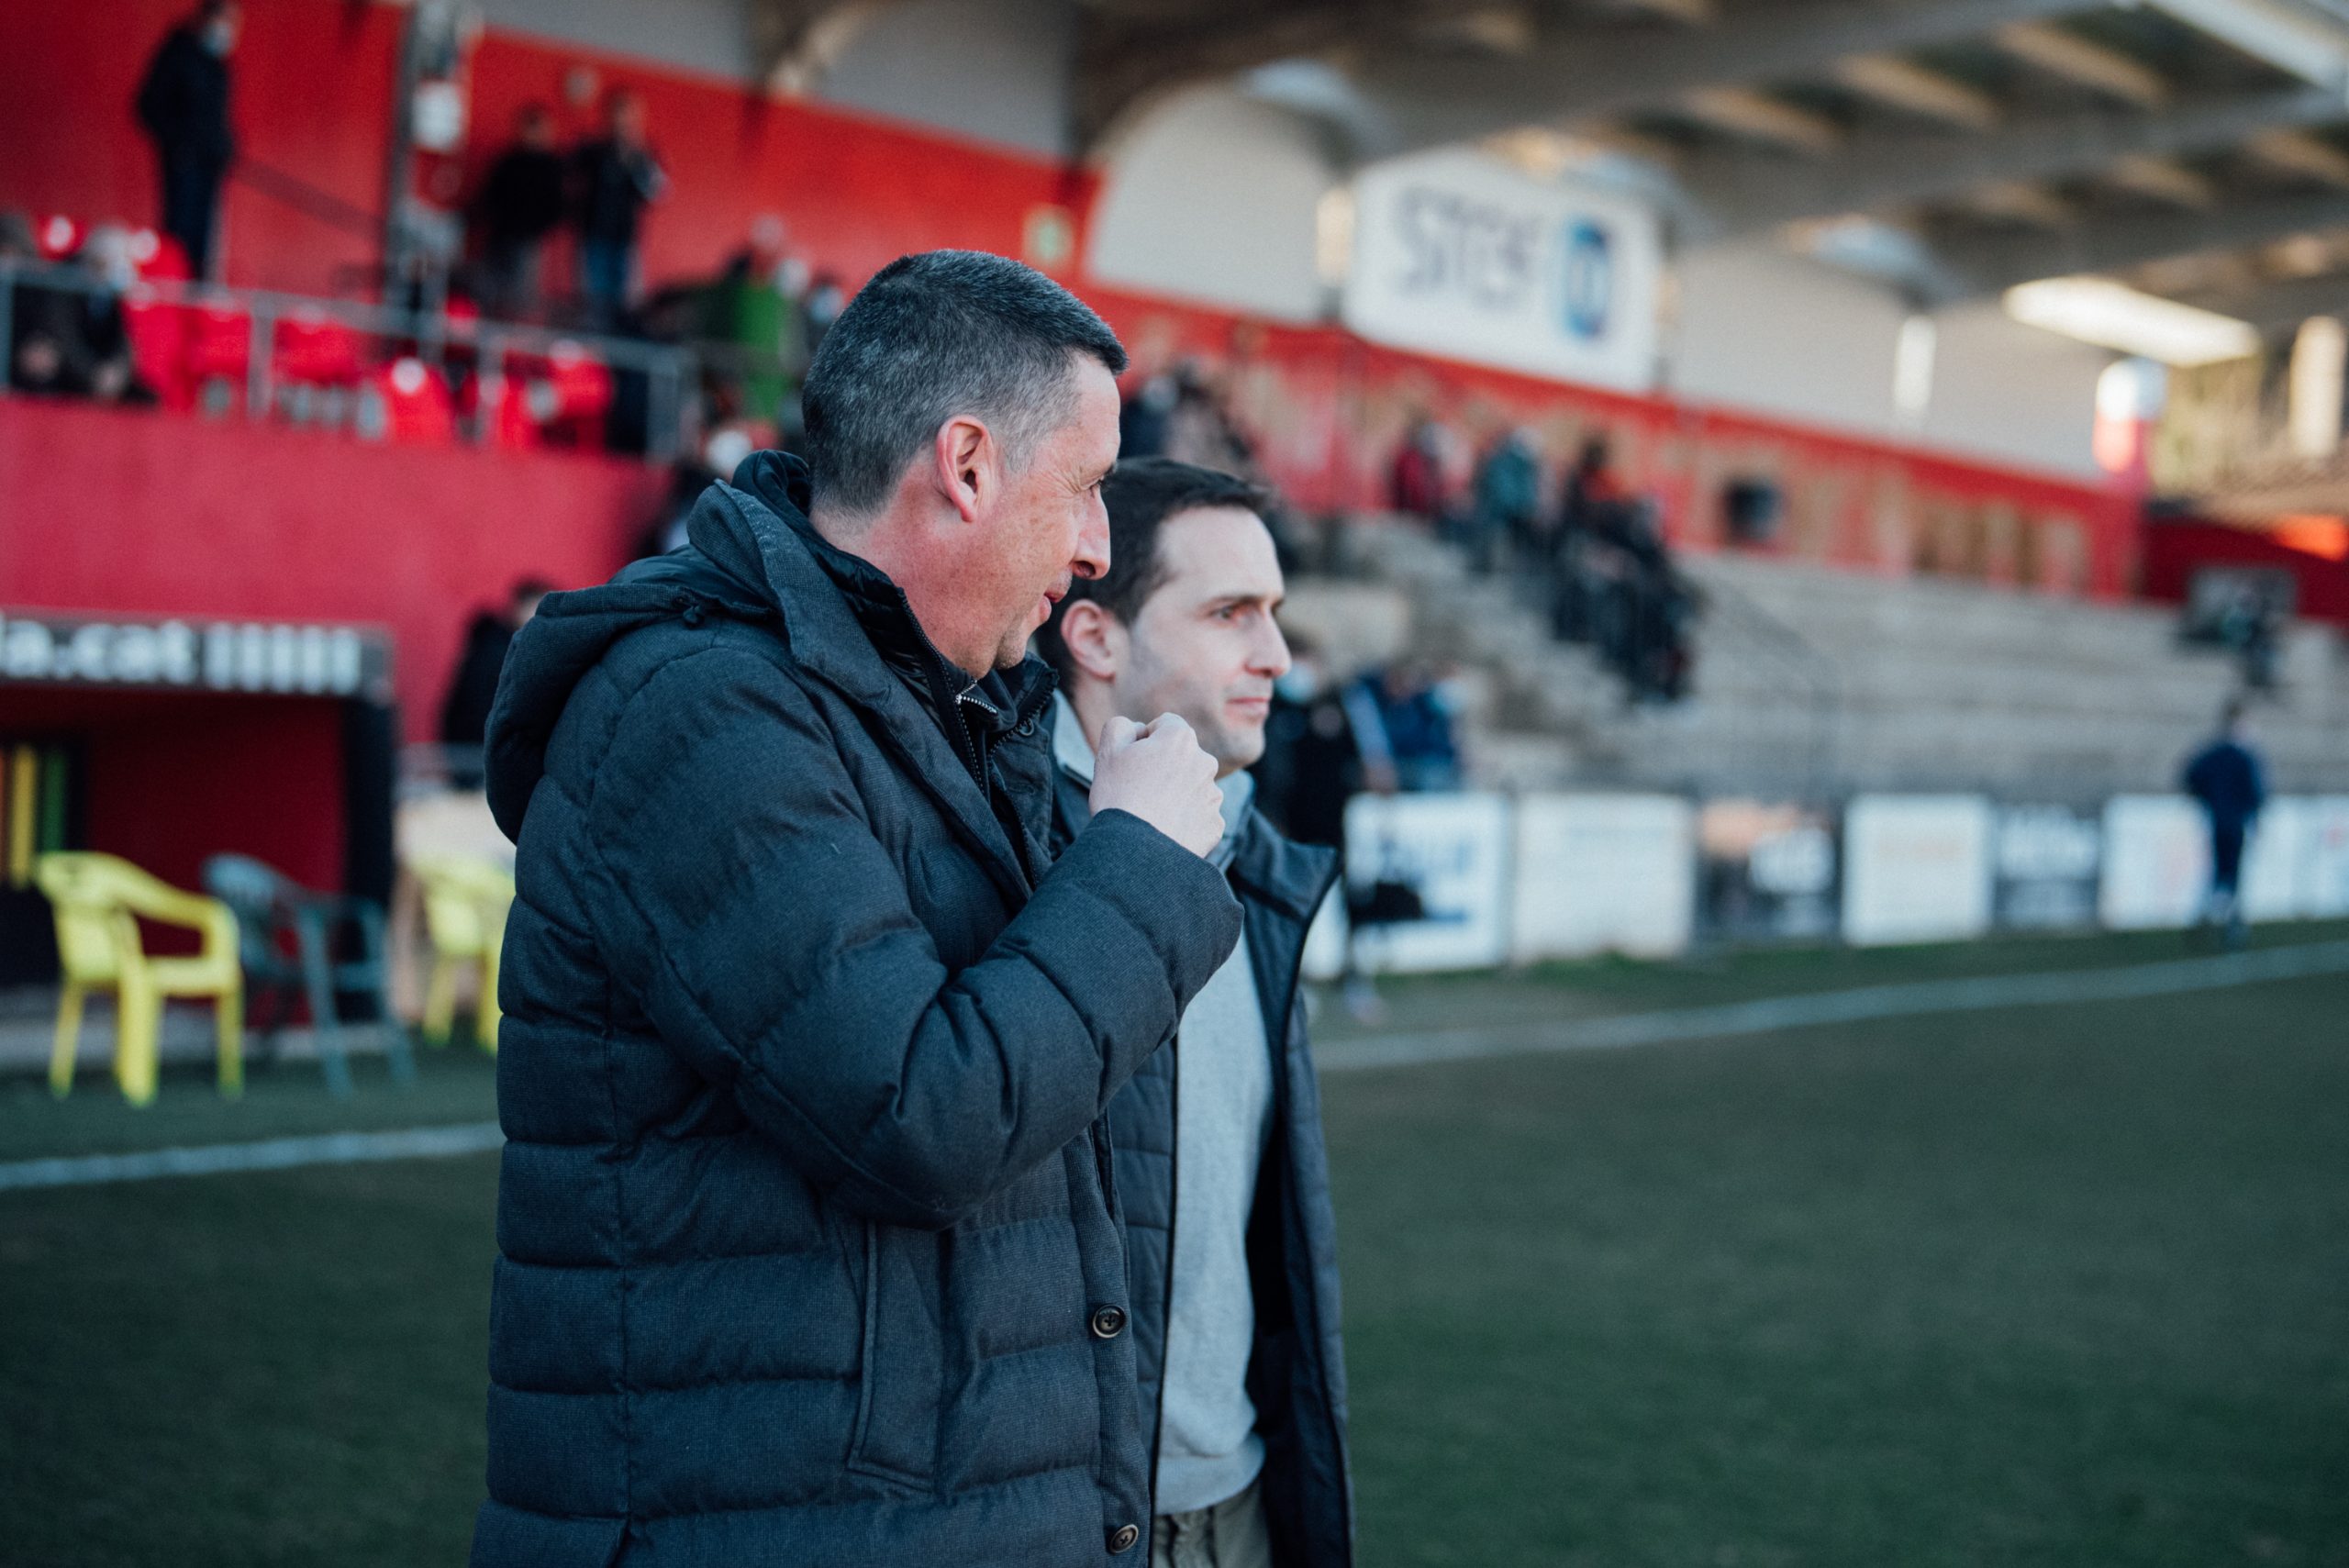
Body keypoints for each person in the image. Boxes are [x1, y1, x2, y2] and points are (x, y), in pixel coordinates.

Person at [471, 250, 1242, 1568]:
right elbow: (922, 1116)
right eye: (1086, 485)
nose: (1098, 546)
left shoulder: (946, 709)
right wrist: (1140, 863)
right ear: (967, 465)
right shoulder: (698, 715)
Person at [1035, 459, 1353, 1568]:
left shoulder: (1254, 860)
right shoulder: (1002, 856)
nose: (1276, 654)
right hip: (1063, 1519)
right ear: (1094, 635)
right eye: (1229, 613)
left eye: (1274, 611)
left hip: (1240, 1501)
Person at [135, 0, 239, 280]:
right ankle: (173, 291)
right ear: (206, 17)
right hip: (183, 165)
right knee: (179, 240)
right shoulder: (177, 54)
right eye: (225, 20)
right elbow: (147, 107)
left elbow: (216, 121)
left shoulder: (218, 66)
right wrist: (180, 142)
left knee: (204, 249)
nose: (229, 29)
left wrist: (226, 146)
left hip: (210, 167)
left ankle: (195, 295)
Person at [438, 578, 551, 782]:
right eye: (537, 608)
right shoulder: (502, 652)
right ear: (520, 607)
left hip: (475, 750)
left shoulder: (494, 645)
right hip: (479, 753)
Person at [571, 87, 665, 327]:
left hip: (625, 237)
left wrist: (638, 158)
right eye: (616, 113)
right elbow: (569, 182)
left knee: (626, 304)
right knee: (593, 303)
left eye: (627, 114)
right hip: (593, 234)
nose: (621, 120)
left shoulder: (644, 154)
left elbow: (656, 192)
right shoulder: (592, 149)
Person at [2182, 699, 2267, 948]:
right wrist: (2254, 816)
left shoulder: (2212, 753)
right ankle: (2229, 923)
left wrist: (2207, 801)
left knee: (2219, 871)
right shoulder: (2243, 756)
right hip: (2236, 822)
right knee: (2233, 872)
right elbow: (2255, 792)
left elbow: (2191, 777)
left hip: (2217, 820)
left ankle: (2210, 916)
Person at [471, 105, 567, 320]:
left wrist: (537, 228)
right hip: (499, 235)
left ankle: (515, 337)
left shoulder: (551, 166)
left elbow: (557, 205)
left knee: (520, 297)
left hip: (529, 240)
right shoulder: (508, 161)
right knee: (489, 289)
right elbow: (490, 195)